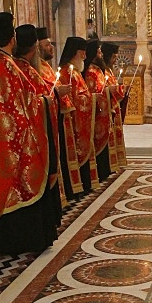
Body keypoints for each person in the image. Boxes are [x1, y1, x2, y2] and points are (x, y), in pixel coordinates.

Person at [0, 12, 59, 255]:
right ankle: (23, 240)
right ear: (11, 38)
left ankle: (6, 239)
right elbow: (23, 106)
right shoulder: (6, 67)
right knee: (18, 186)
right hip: (13, 142)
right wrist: (48, 101)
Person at [13, 23, 62, 225]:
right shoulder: (25, 71)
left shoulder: (19, 68)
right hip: (33, 136)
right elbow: (30, 101)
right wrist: (48, 100)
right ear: (34, 48)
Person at [37, 26, 83, 205]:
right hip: (53, 119)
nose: (51, 48)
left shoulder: (46, 67)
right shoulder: (37, 69)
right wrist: (58, 92)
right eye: (48, 45)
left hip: (61, 116)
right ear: (38, 46)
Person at [59, 36, 97, 195]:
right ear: (76, 52)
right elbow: (74, 98)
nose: (86, 57)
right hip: (73, 122)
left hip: (79, 120)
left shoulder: (74, 72)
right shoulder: (68, 72)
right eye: (83, 53)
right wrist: (89, 99)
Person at [84, 38, 118, 181]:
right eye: (98, 52)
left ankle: (106, 169)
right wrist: (107, 91)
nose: (101, 55)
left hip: (104, 113)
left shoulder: (98, 69)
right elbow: (93, 92)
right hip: (97, 114)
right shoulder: (91, 71)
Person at [101, 41, 128, 169]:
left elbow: (115, 92)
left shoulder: (109, 72)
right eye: (113, 58)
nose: (114, 61)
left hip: (114, 110)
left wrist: (122, 89)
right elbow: (105, 91)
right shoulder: (103, 73)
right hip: (108, 111)